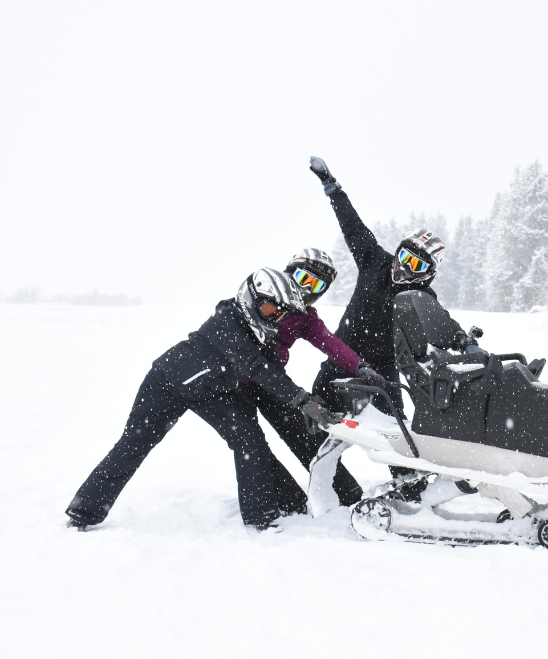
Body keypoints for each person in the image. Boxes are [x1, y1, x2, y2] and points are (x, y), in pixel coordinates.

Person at [66, 268, 341, 531]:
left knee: (250, 441)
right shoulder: (228, 322)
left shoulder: (262, 330)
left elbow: (274, 374)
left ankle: (263, 518)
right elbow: (260, 369)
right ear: (252, 298)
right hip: (167, 384)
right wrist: (303, 401)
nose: (275, 317)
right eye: (271, 309)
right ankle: (83, 512)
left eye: (280, 313)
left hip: (213, 392)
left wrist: (306, 402)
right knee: (132, 447)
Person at [307, 156, 476, 417]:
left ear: (428, 274)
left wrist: (464, 341)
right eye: (405, 258)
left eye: (417, 266)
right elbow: (352, 226)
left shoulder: (420, 295)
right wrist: (332, 186)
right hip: (343, 353)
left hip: (382, 368)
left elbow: (441, 320)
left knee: (397, 433)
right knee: (316, 422)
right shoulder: (374, 260)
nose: (406, 268)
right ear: (397, 252)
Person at [237, 248, 388, 506]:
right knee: (251, 446)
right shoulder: (259, 299)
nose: (304, 287)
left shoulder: (304, 317)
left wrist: (361, 366)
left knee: (303, 435)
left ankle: (348, 494)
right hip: (236, 384)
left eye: (314, 284)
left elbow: (331, 343)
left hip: (273, 384)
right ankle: (287, 502)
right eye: (301, 277)